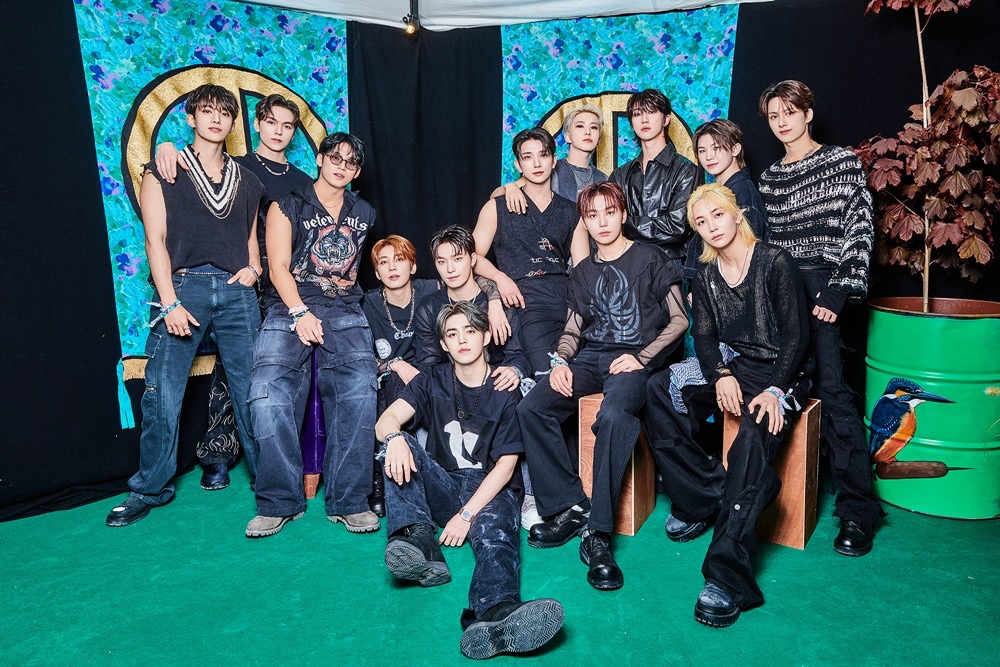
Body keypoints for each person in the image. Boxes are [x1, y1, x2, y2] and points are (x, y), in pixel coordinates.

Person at [644, 183, 809, 627]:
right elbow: (704, 335)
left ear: (737, 214)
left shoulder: (775, 262)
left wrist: (774, 390)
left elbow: (796, 338)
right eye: (701, 222)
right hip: (734, 364)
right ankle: (703, 496)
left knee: (751, 439)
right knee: (658, 389)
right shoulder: (706, 274)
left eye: (717, 215)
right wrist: (720, 374)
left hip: (781, 373)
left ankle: (727, 576)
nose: (712, 226)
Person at [517, 181, 688, 590]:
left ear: (623, 214)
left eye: (610, 212)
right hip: (590, 359)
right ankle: (570, 506)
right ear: (585, 222)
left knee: (613, 416)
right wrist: (560, 361)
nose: (602, 222)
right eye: (592, 216)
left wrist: (642, 357)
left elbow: (680, 320)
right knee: (532, 408)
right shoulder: (581, 272)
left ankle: (598, 532)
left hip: (634, 360)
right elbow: (573, 329)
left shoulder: (651, 257)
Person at [106, 84, 264, 526]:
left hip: (235, 291)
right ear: (191, 118)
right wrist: (170, 302)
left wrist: (254, 270)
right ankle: (149, 488)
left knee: (254, 391)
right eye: (206, 111)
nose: (216, 119)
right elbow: (154, 240)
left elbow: (250, 238)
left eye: (224, 113)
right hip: (182, 288)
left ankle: (270, 481)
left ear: (232, 123)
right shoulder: (163, 170)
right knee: (162, 392)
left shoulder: (247, 180)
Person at [376, 301, 564, 660]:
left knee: (496, 537)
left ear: (485, 337)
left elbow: (506, 467)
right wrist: (395, 437)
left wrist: (466, 516)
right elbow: (386, 421)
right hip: (446, 484)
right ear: (443, 344)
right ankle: (420, 543)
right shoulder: (431, 379)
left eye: (470, 331)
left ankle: (494, 613)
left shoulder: (505, 388)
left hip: (492, 489)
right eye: (452, 334)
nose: (462, 340)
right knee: (398, 446)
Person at [156, 94, 313, 491]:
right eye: (271, 122)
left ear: (294, 133)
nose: (278, 131)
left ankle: (277, 463)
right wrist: (165, 146)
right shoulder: (238, 166)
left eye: (287, 126)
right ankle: (217, 454)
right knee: (224, 373)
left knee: (260, 376)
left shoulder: (302, 181)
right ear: (256, 124)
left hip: (278, 281)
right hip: (232, 278)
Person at [757, 80, 881, 557]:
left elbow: (860, 227)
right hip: (782, 290)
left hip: (824, 285)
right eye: (774, 116)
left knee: (833, 393)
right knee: (780, 387)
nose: (782, 122)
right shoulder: (769, 178)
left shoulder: (840, 161)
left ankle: (858, 510)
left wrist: (838, 289)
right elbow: (766, 248)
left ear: (808, 113)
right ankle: (760, 500)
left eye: (790, 112)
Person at [245, 132, 380, 538]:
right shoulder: (287, 205)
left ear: (357, 171)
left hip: (343, 307)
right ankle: (278, 502)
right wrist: (300, 311)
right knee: (267, 392)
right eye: (335, 157)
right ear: (320, 159)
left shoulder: (364, 212)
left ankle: (349, 501)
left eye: (351, 162)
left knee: (360, 388)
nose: (342, 166)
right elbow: (277, 267)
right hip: (290, 305)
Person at [361, 234, 508, 515]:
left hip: (433, 374)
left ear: (413, 266)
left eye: (399, 260)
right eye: (384, 262)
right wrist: (394, 364)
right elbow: (361, 355)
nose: (393, 268)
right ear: (377, 272)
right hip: (399, 375)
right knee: (390, 387)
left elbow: (472, 282)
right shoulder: (368, 303)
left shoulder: (432, 289)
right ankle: (383, 476)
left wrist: (495, 297)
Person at [472, 127, 588, 376]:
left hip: (564, 298)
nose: (536, 163)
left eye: (543, 155)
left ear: (554, 160)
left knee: (575, 370)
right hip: (522, 297)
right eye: (528, 157)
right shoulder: (496, 207)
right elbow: (472, 258)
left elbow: (583, 270)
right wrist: (500, 279)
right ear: (518, 164)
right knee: (547, 372)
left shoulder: (572, 212)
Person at [413, 226, 531, 388]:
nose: (450, 269)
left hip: (496, 383)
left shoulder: (499, 304)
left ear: (473, 259)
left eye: (457, 259)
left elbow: (518, 356)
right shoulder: (428, 309)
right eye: (441, 262)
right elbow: (428, 365)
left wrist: (514, 370)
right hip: (450, 387)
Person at [610, 88, 702, 270]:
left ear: (666, 119)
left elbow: (677, 228)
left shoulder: (686, 170)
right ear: (631, 123)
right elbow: (608, 225)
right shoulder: (619, 175)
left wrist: (625, 222)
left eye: (651, 112)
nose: (644, 120)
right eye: (637, 114)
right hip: (627, 266)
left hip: (669, 266)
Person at [685, 119, 768, 282]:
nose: (709, 156)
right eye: (702, 151)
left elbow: (749, 259)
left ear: (735, 149)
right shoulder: (718, 193)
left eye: (716, 148)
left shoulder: (743, 194)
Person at [499, 104, 608, 209]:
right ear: (567, 136)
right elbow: (497, 194)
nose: (588, 132)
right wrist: (510, 188)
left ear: (599, 138)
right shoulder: (550, 167)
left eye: (594, 127)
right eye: (580, 126)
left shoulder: (604, 179)